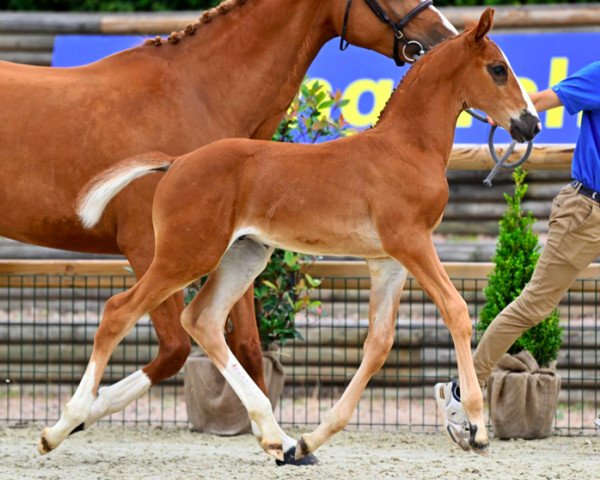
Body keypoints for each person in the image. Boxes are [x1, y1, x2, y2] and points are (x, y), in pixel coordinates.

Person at [435, 61, 600, 447]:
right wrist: (503, 111)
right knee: (533, 306)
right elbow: (541, 99)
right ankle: (461, 390)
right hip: (585, 213)